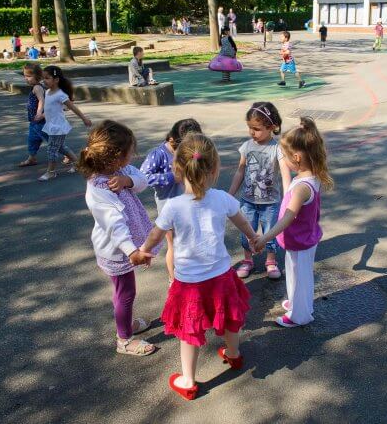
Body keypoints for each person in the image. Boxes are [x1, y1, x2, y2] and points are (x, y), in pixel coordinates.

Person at [138, 133, 259, 401]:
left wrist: (145, 251)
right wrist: (253, 238)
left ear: (177, 170)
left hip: (189, 281)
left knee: (189, 330)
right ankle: (234, 354)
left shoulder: (173, 206)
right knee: (230, 318)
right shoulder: (221, 199)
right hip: (221, 276)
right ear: (214, 168)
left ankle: (188, 380)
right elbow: (242, 222)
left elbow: (156, 234)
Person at [79, 120, 160, 356]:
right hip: (116, 249)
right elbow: (115, 225)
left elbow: (143, 181)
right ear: (115, 157)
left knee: (124, 293)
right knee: (125, 294)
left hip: (125, 246)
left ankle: (127, 324)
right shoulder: (99, 189)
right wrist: (132, 251)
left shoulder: (121, 171)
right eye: (130, 151)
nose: (133, 154)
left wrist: (128, 181)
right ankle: (123, 339)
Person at [252, 117, 333, 327]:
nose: (284, 161)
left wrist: (265, 237)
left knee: (300, 279)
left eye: (286, 157)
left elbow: (288, 217)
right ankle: (298, 303)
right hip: (300, 239)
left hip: (300, 240)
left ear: (296, 157)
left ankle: (300, 315)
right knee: (296, 274)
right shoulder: (310, 176)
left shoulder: (302, 188)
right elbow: (289, 190)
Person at [229, 102, 289, 280]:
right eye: (249, 128)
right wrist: (230, 194)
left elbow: (286, 175)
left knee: (270, 232)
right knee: (247, 232)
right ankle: (248, 260)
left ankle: (271, 261)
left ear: (271, 127)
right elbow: (240, 170)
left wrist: (288, 200)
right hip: (248, 200)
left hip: (270, 202)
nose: (251, 132)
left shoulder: (277, 148)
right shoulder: (247, 146)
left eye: (256, 128)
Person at [141, 119, 203, 283]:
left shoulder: (191, 151)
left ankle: (191, 275)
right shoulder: (159, 154)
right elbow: (143, 177)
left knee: (191, 242)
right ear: (171, 140)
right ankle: (174, 280)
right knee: (174, 246)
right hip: (169, 208)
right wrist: (171, 177)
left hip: (191, 205)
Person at [38, 65, 92, 181]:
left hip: (58, 127)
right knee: (61, 147)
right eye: (43, 78)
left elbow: (73, 108)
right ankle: (78, 164)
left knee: (52, 149)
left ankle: (51, 172)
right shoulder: (47, 92)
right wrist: (42, 115)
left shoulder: (60, 95)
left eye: (47, 78)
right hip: (52, 126)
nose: (44, 81)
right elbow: (50, 109)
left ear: (56, 80)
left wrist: (84, 118)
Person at [17, 63, 74, 168]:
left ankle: (70, 156)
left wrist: (39, 113)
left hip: (41, 122)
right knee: (32, 140)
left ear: (37, 77)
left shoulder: (37, 87)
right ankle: (32, 158)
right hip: (34, 122)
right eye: (25, 76)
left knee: (53, 143)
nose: (26, 78)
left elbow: (41, 101)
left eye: (29, 76)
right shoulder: (37, 87)